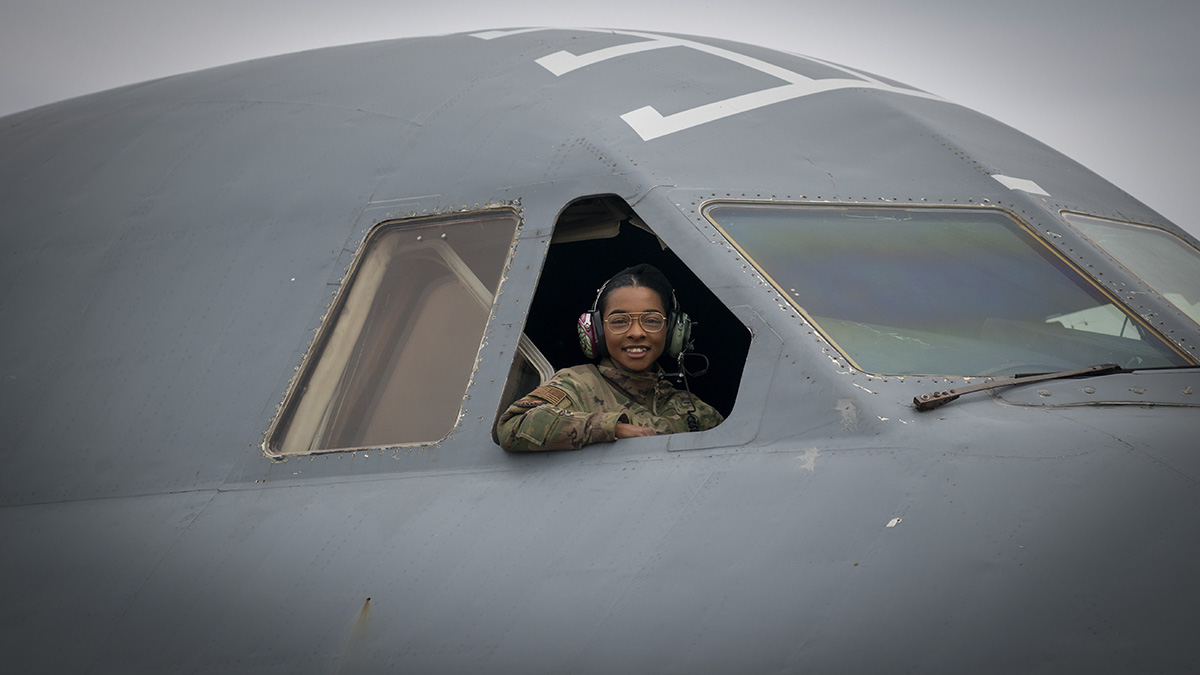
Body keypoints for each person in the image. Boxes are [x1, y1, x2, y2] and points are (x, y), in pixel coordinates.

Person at [496, 264, 723, 451]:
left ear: (673, 331)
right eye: (619, 321)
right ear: (596, 331)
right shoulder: (578, 383)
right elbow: (512, 425)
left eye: (652, 321)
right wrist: (610, 428)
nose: (636, 333)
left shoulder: (692, 410)